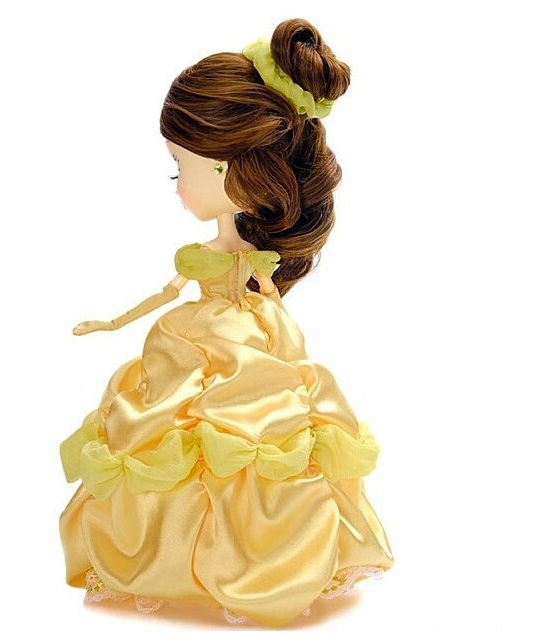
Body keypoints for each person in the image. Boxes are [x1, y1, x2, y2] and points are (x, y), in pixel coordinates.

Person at [59, 17, 394, 627]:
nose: (177, 187)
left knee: (242, 438)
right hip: (218, 338)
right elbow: (168, 293)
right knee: (203, 435)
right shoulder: (214, 255)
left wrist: (275, 327)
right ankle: (226, 558)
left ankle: (245, 562)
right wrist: (111, 323)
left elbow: (243, 292)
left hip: (243, 343)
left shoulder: (232, 256)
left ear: (226, 168)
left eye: (179, 168)